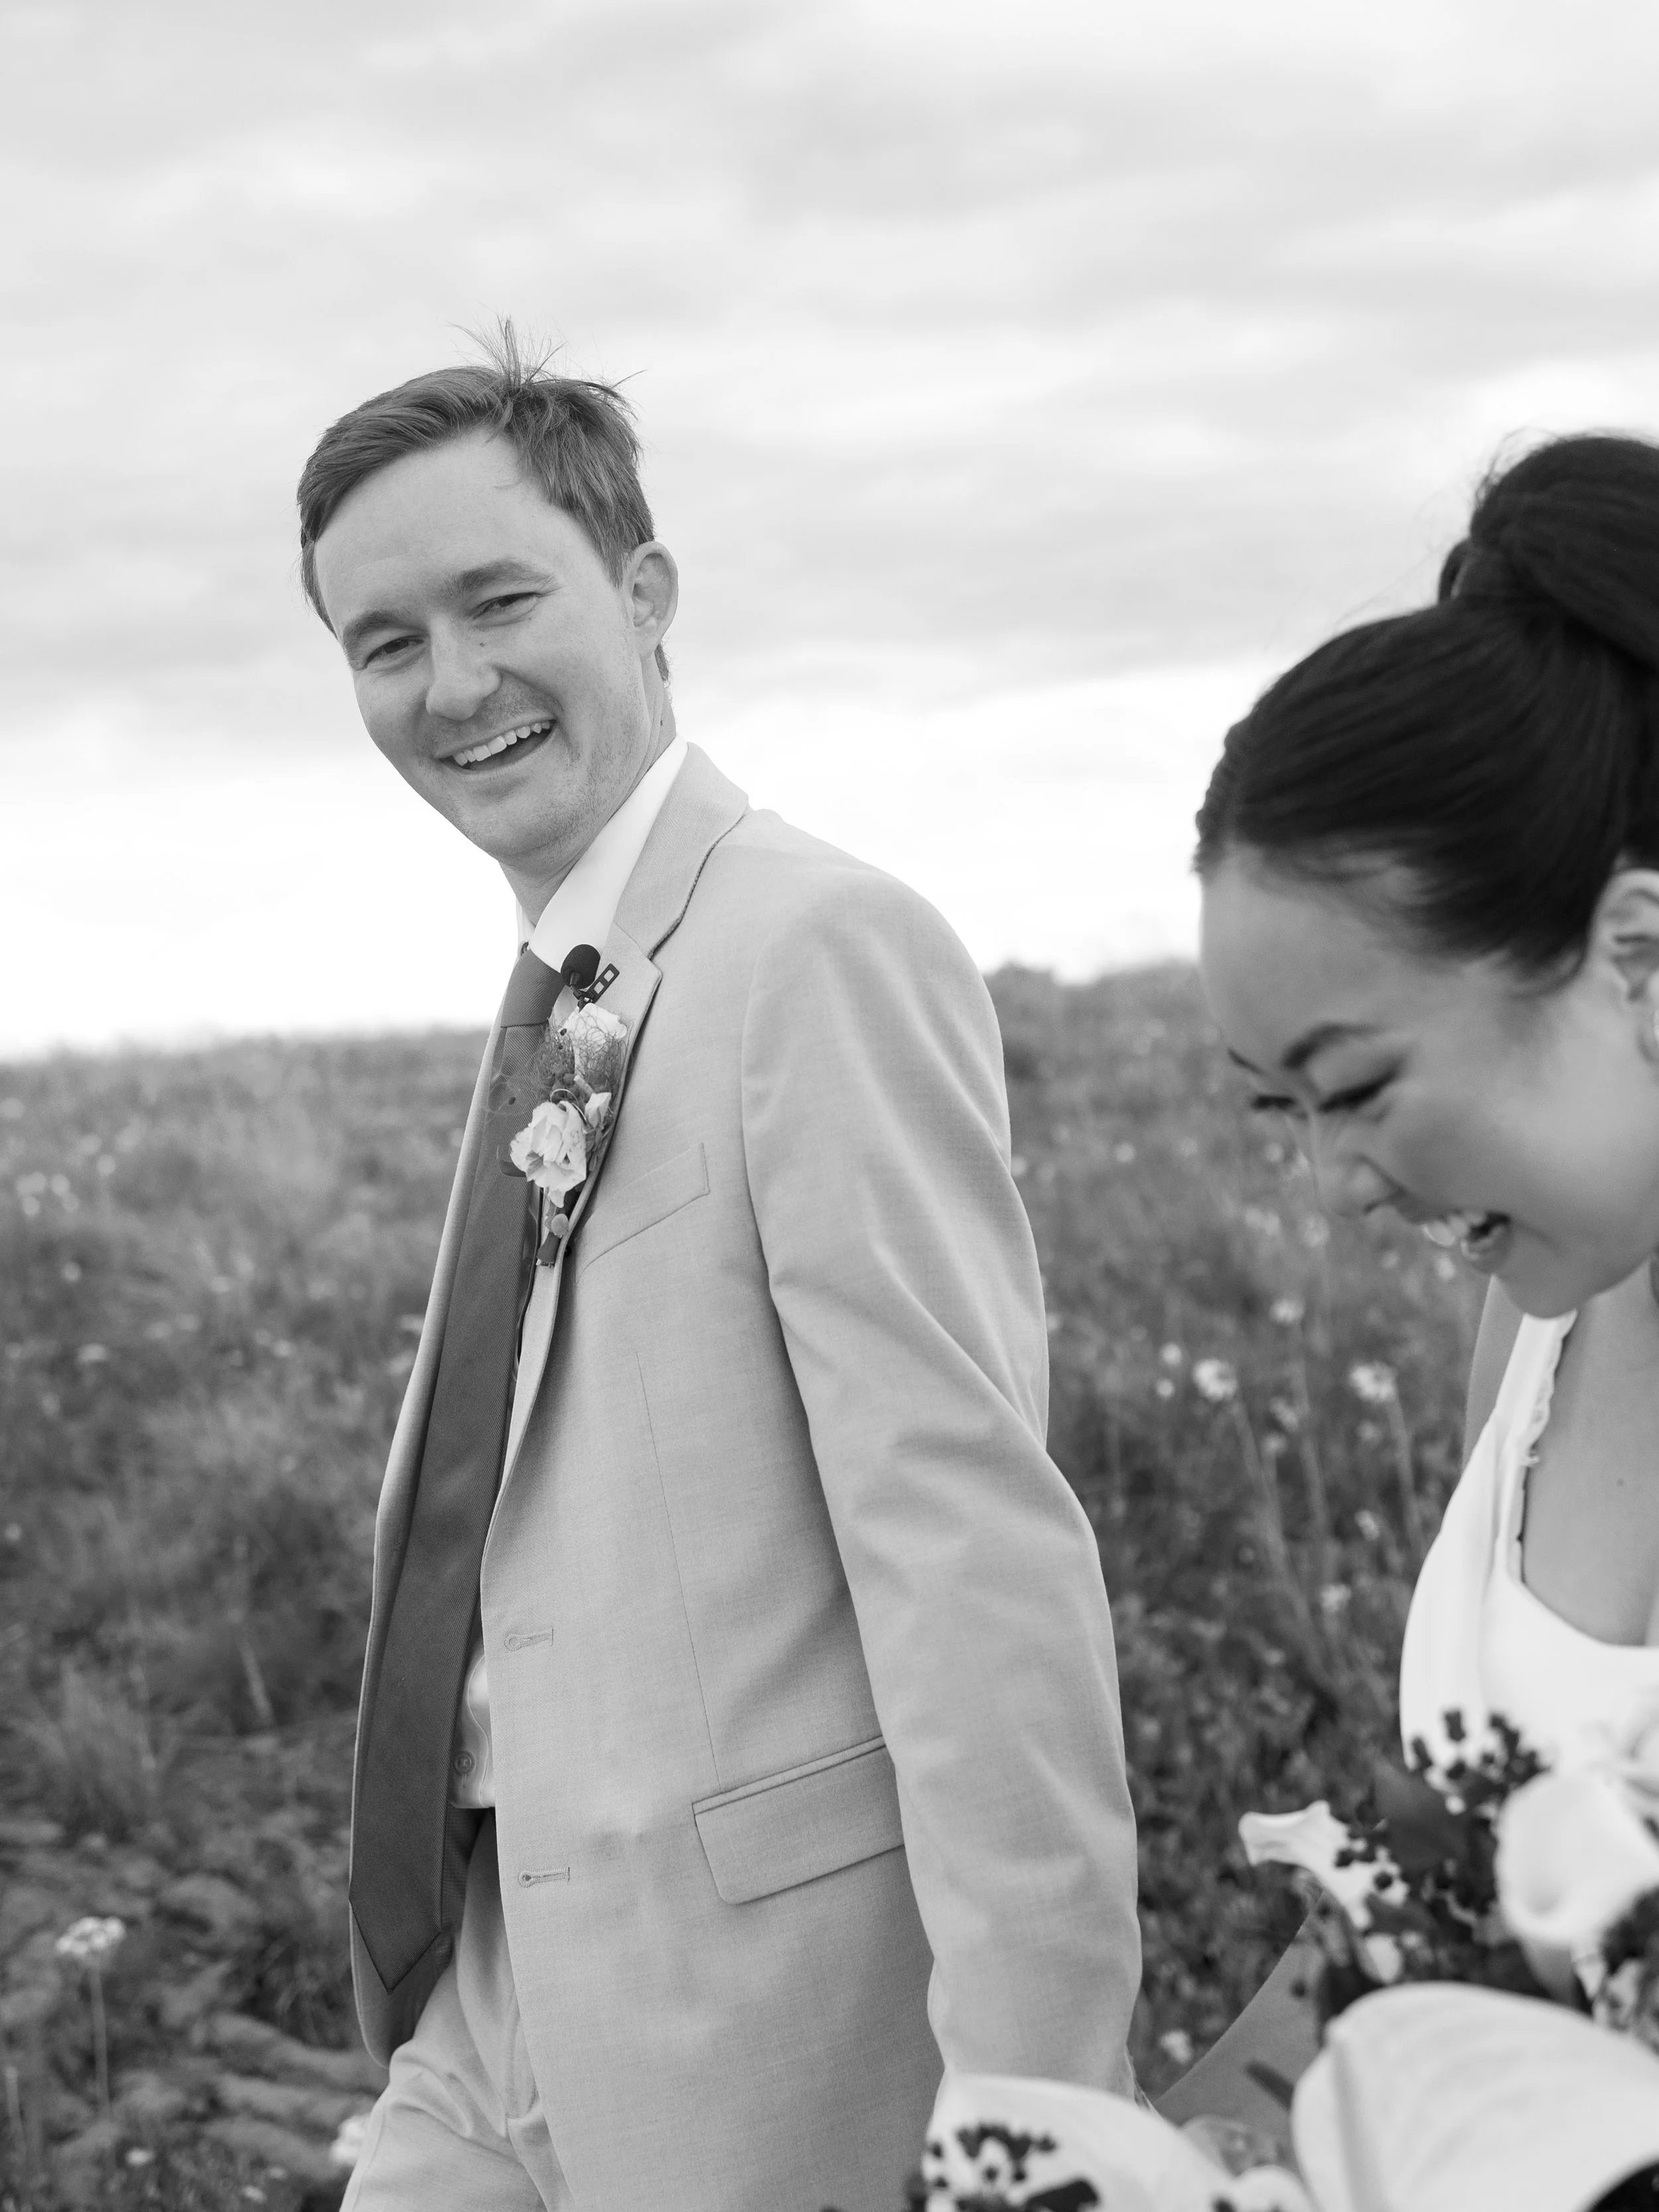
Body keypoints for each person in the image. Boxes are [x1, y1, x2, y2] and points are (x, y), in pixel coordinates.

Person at [295, 330, 1142, 2211]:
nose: (454, 681)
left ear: (646, 592)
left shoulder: (815, 944)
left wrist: (1036, 2122)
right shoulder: (560, 988)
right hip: (492, 1982)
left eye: (499, 598)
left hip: (755, 2012)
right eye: (383, 641)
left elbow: (968, 1550)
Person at [1158, 431, 1659, 2137]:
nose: (1330, 1184)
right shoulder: (1534, 1341)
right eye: (1276, 1111)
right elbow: (1426, 1942)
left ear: (1632, 957)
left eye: (1355, 1085)